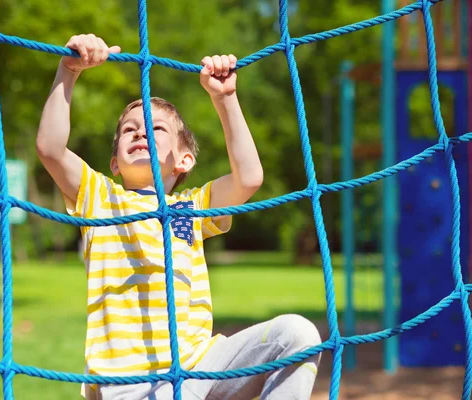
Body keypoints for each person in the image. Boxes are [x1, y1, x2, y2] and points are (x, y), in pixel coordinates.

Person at [36, 33, 321, 400]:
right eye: (128, 130)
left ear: (184, 160)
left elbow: (248, 178)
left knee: (297, 335)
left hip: (199, 364)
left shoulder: (189, 207)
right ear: (114, 164)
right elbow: (50, 147)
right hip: (131, 382)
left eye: (156, 128)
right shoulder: (101, 198)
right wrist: (69, 69)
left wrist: (226, 98)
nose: (140, 132)